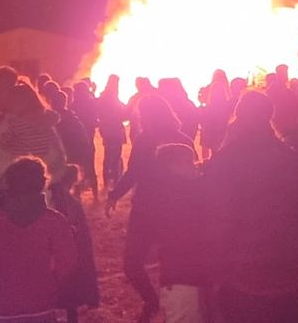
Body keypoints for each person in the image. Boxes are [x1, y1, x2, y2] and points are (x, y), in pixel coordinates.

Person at [204, 90, 298, 322]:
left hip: (243, 268)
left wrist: (217, 264)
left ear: (238, 115)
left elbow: (218, 217)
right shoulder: (291, 159)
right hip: (285, 264)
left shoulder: (226, 161)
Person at [108, 94, 192, 319]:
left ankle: (159, 303)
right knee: (156, 264)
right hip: (162, 211)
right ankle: (158, 303)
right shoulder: (177, 138)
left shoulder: (154, 140)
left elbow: (134, 172)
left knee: (136, 263)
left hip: (153, 210)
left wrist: (115, 194)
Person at [0, 157, 78, 323]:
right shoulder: (55, 221)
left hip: (5, 305)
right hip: (44, 303)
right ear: (43, 182)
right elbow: (68, 263)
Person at [146, 144, 213, 323]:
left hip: (183, 281)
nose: (195, 166)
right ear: (173, 166)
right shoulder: (177, 195)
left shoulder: (168, 192)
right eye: (189, 162)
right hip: (183, 283)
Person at [49, 165, 99, 323]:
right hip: (69, 251)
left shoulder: (51, 196)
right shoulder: (69, 201)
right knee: (70, 289)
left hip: (55, 251)